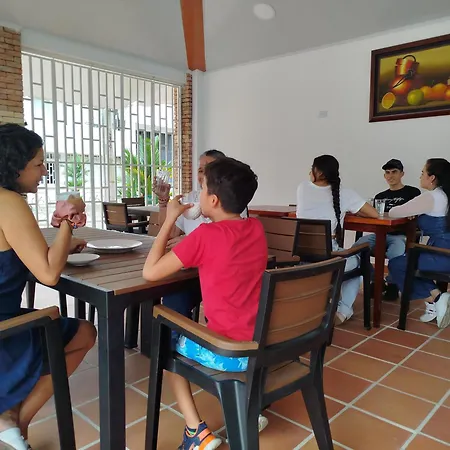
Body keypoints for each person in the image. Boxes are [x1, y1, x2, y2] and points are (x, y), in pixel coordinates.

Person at [143, 157, 267, 450]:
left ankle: (196, 431)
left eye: (202, 189)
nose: (197, 195)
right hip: (261, 345)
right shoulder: (256, 228)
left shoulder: (205, 235)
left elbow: (150, 272)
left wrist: (170, 218)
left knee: (166, 339)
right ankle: (247, 409)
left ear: (213, 200)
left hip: (228, 352)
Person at [0, 124, 97, 449]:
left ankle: (9, 420)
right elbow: (49, 274)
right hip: (4, 329)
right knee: (85, 332)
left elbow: (22, 250)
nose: (44, 171)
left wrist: (63, 244)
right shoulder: (8, 201)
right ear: (15, 167)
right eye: (39, 164)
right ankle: (16, 423)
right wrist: (68, 218)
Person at [296, 155, 379, 324]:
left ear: (318, 172)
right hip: (329, 258)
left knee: (347, 257)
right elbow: (374, 214)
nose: (309, 171)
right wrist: (353, 209)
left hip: (302, 258)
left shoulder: (302, 188)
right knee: (359, 262)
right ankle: (343, 310)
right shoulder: (345, 194)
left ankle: (326, 302)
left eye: (312, 168)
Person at [152, 150, 228, 328]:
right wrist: (164, 202)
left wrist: (190, 242)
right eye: (200, 170)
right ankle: (173, 342)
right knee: (173, 300)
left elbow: (151, 271)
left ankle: (186, 339)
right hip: (189, 274)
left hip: (218, 278)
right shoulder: (191, 199)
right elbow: (171, 235)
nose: (203, 175)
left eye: (209, 169)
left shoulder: (231, 203)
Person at [388, 158, 450, 327]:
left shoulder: (432, 197)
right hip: (444, 253)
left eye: (423, 173)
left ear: (432, 177)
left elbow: (394, 212)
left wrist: (414, 212)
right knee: (408, 261)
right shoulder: (446, 196)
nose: (420, 176)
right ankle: (436, 303)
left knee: (398, 264)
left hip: (442, 255)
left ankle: (436, 298)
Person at [355, 159, 421, 300]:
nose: (390, 176)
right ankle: (376, 281)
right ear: (384, 176)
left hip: (401, 235)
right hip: (379, 234)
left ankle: (392, 284)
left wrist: (414, 213)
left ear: (402, 174)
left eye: (394, 172)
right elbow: (375, 217)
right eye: (387, 173)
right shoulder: (380, 197)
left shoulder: (412, 192)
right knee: (356, 249)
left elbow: (419, 213)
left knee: (395, 253)